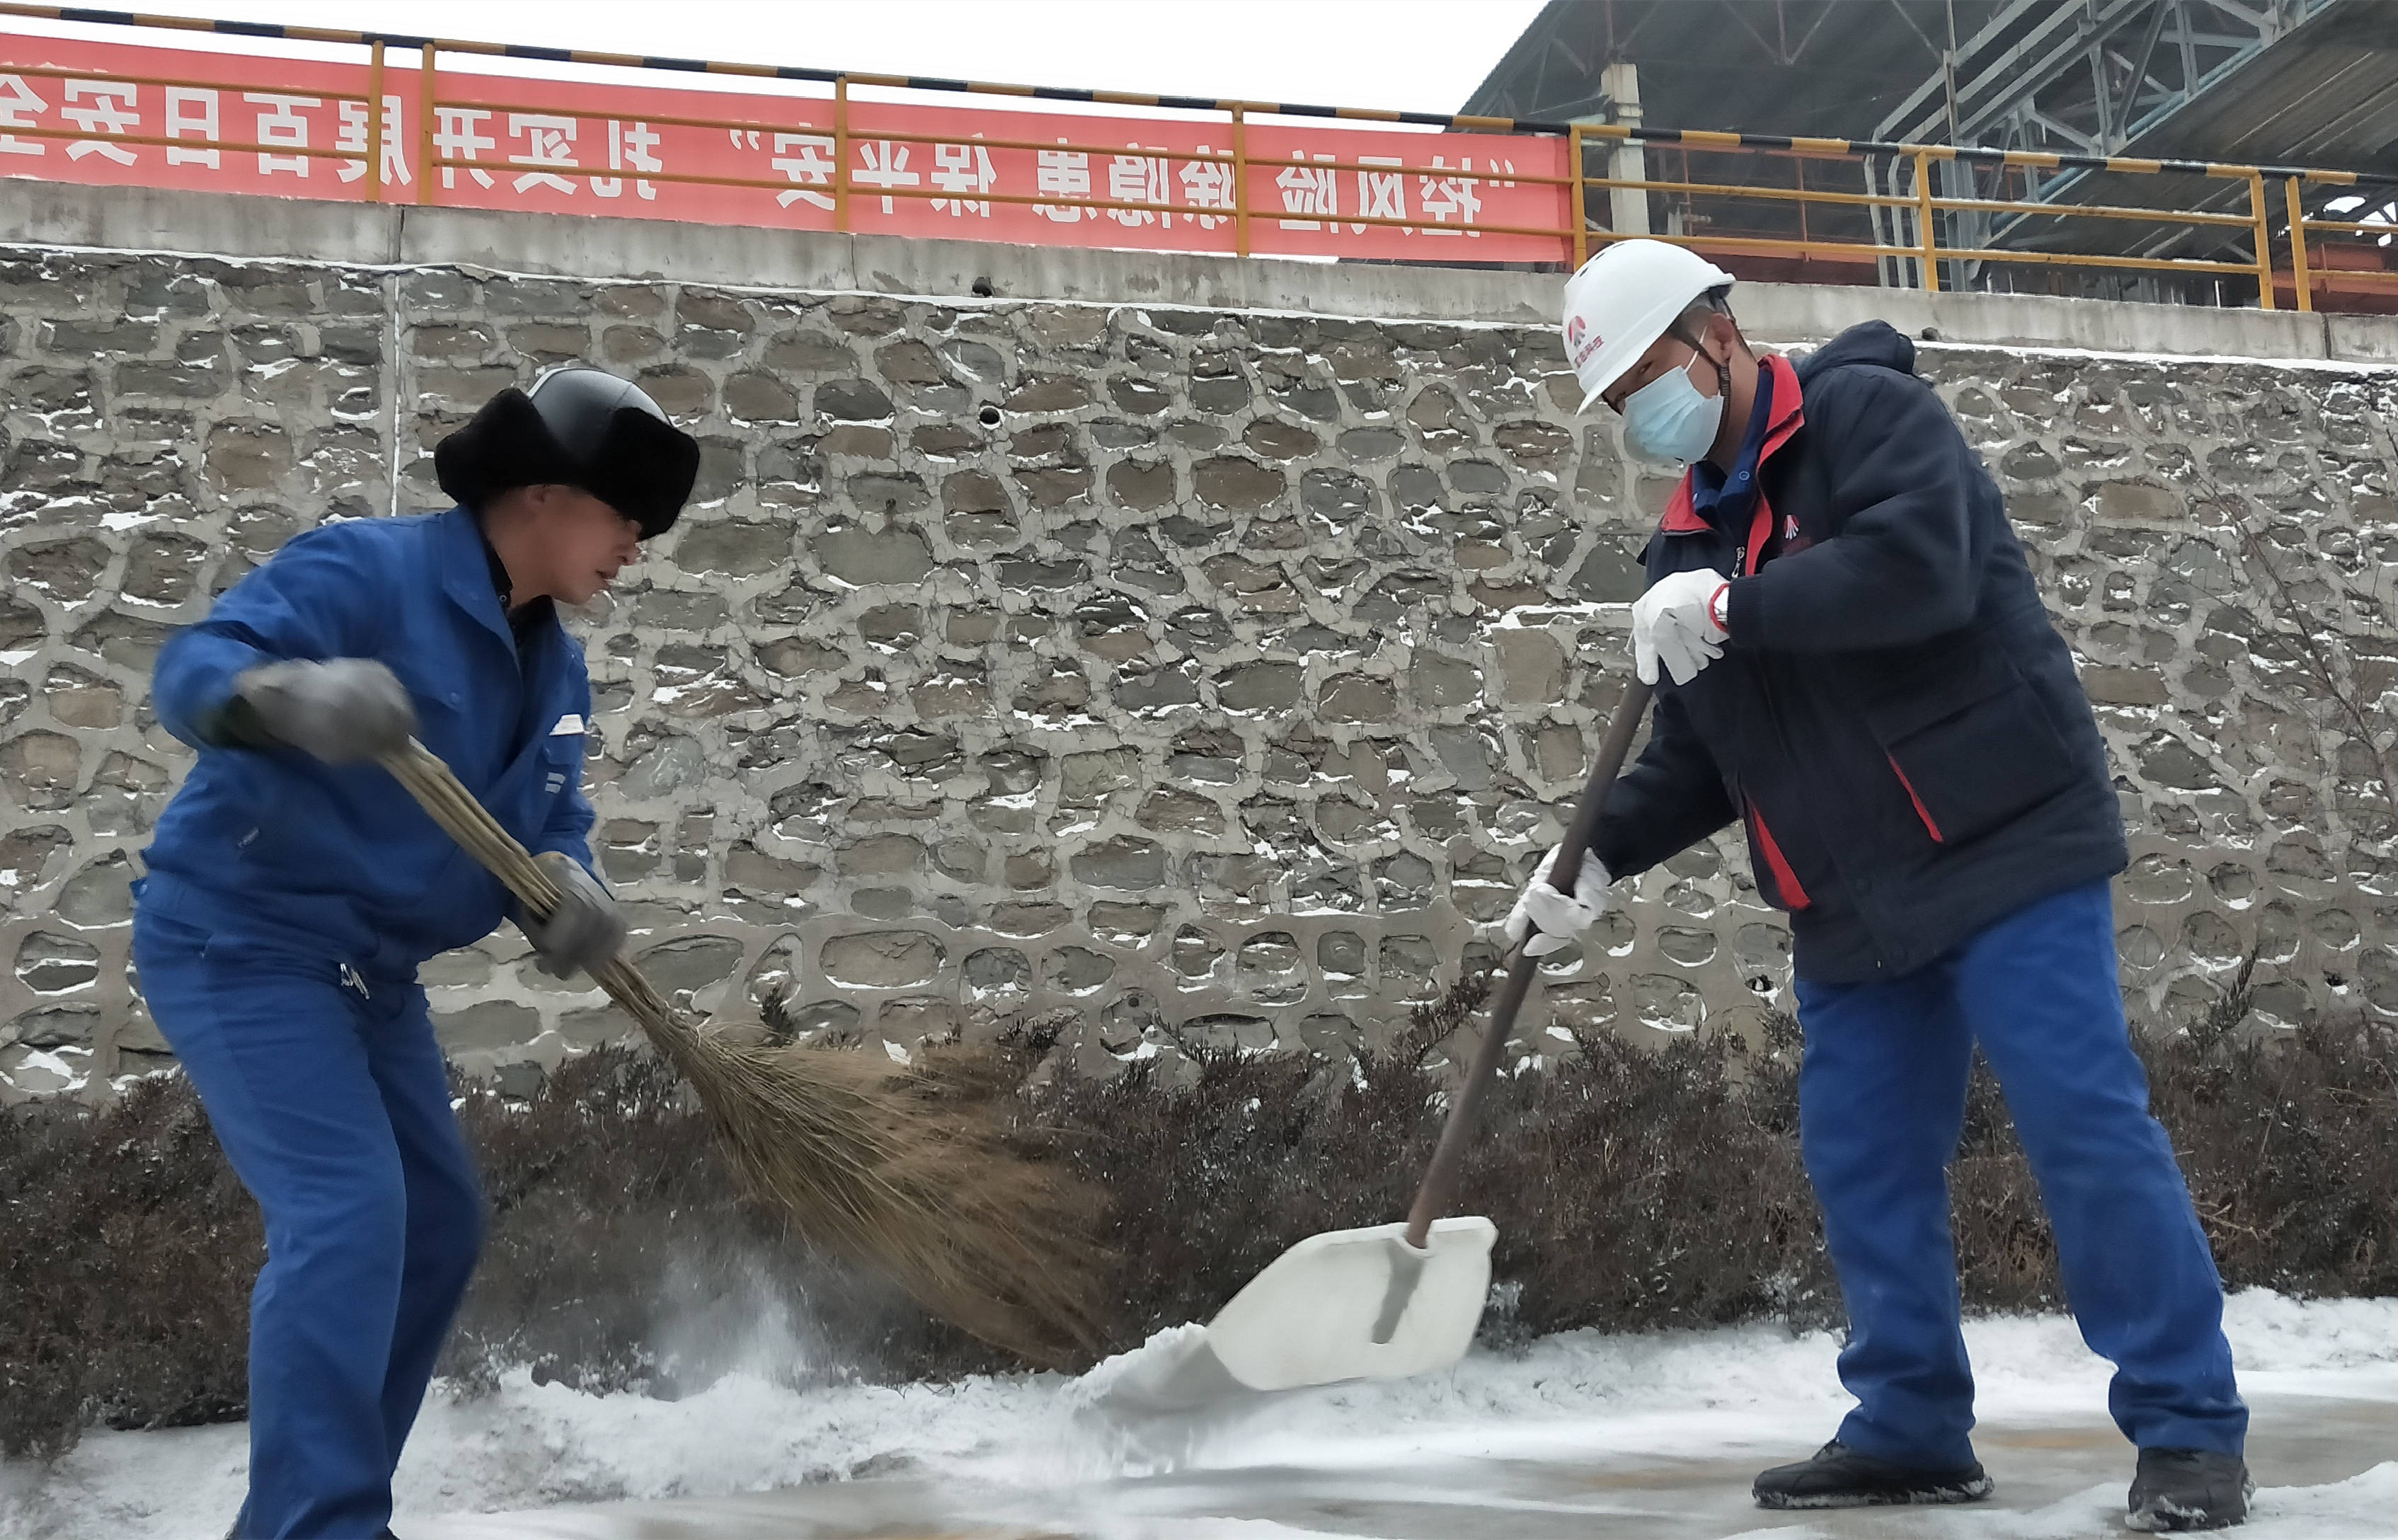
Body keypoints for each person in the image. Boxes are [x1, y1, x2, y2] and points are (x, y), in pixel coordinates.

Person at [1507, 240, 2250, 1532]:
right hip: (1850, 893)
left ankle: (2189, 1429)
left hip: (2002, 839)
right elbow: (1700, 754)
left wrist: (1735, 609)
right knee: (1863, 1158)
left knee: (2081, 1126)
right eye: (1618, 401)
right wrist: (1594, 858)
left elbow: (1919, 571)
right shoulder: (1682, 543)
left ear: (1718, 334)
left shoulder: (1867, 416)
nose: (1640, 412)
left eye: (1646, 376)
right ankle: (1910, 1425)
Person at [132, 367, 699, 1539]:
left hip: (371, 980)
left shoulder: (555, 666)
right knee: (347, 1213)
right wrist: (283, 695)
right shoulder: (366, 570)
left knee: (436, 1224)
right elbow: (194, 668)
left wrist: (572, 887)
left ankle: (315, 1517)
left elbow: (552, 821)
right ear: (540, 494)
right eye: (623, 514)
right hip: (245, 942)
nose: (635, 546)